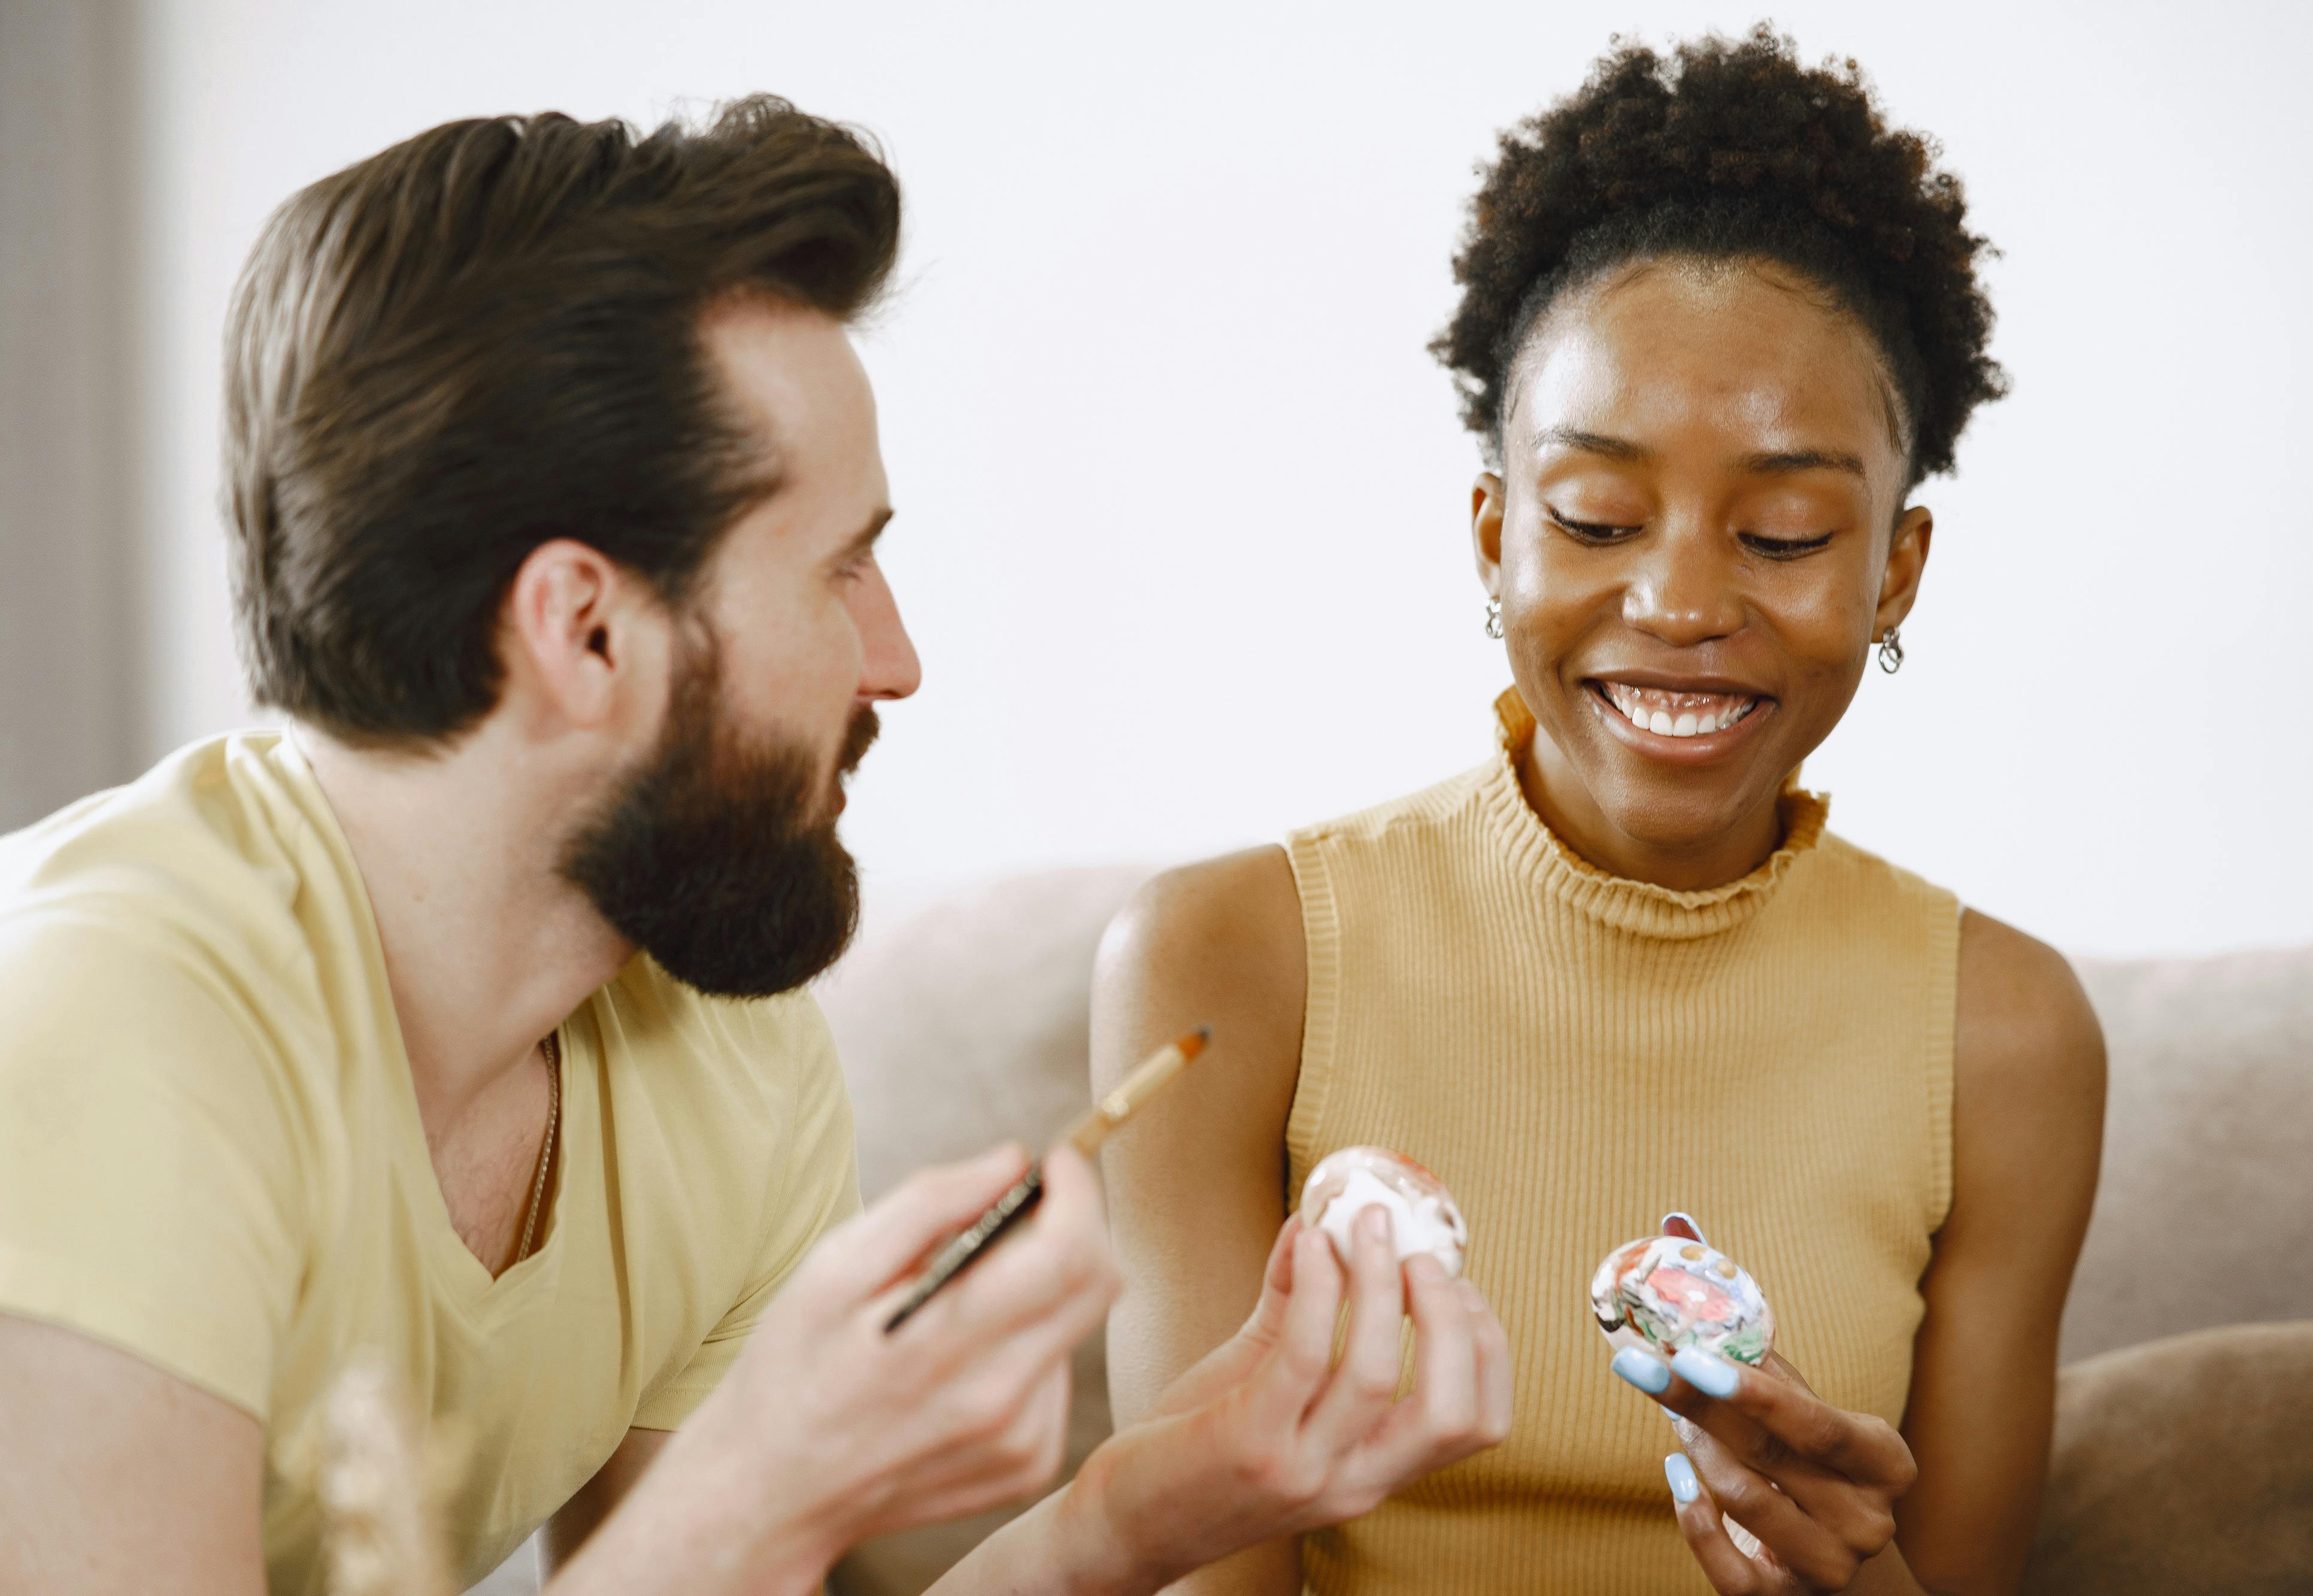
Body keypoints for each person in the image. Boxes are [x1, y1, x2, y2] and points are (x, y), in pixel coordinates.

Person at [0, 99, 1512, 1594]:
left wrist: (1139, 1506)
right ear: (585, 630)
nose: (898, 657)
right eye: (839, 565)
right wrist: (766, 1477)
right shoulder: (103, 1030)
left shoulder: (720, 1044)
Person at [1095, 29, 2105, 1596]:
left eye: (1782, 531)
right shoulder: (1226, 962)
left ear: (1894, 571)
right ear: (1495, 535)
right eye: (1595, 517)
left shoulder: (2007, 1038)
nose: (1681, 600)